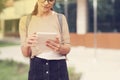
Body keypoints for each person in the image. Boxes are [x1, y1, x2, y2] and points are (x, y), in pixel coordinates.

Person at [19, 0, 71, 80]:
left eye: (50, 0)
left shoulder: (60, 18)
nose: (46, 3)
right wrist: (27, 43)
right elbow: (26, 54)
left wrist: (60, 48)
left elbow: (67, 48)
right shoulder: (25, 20)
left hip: (58, 68)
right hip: (36, 68)